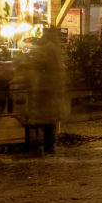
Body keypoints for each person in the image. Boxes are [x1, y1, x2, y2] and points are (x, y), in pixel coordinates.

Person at [16, 27, 69, 155]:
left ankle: (44, 146)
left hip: (46, 88)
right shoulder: (54, 48)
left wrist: (23, 64)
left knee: (44, 119)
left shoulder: (47, 48)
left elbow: (37, 63)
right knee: (50, 120)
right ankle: (49, 146)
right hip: (53, 88)